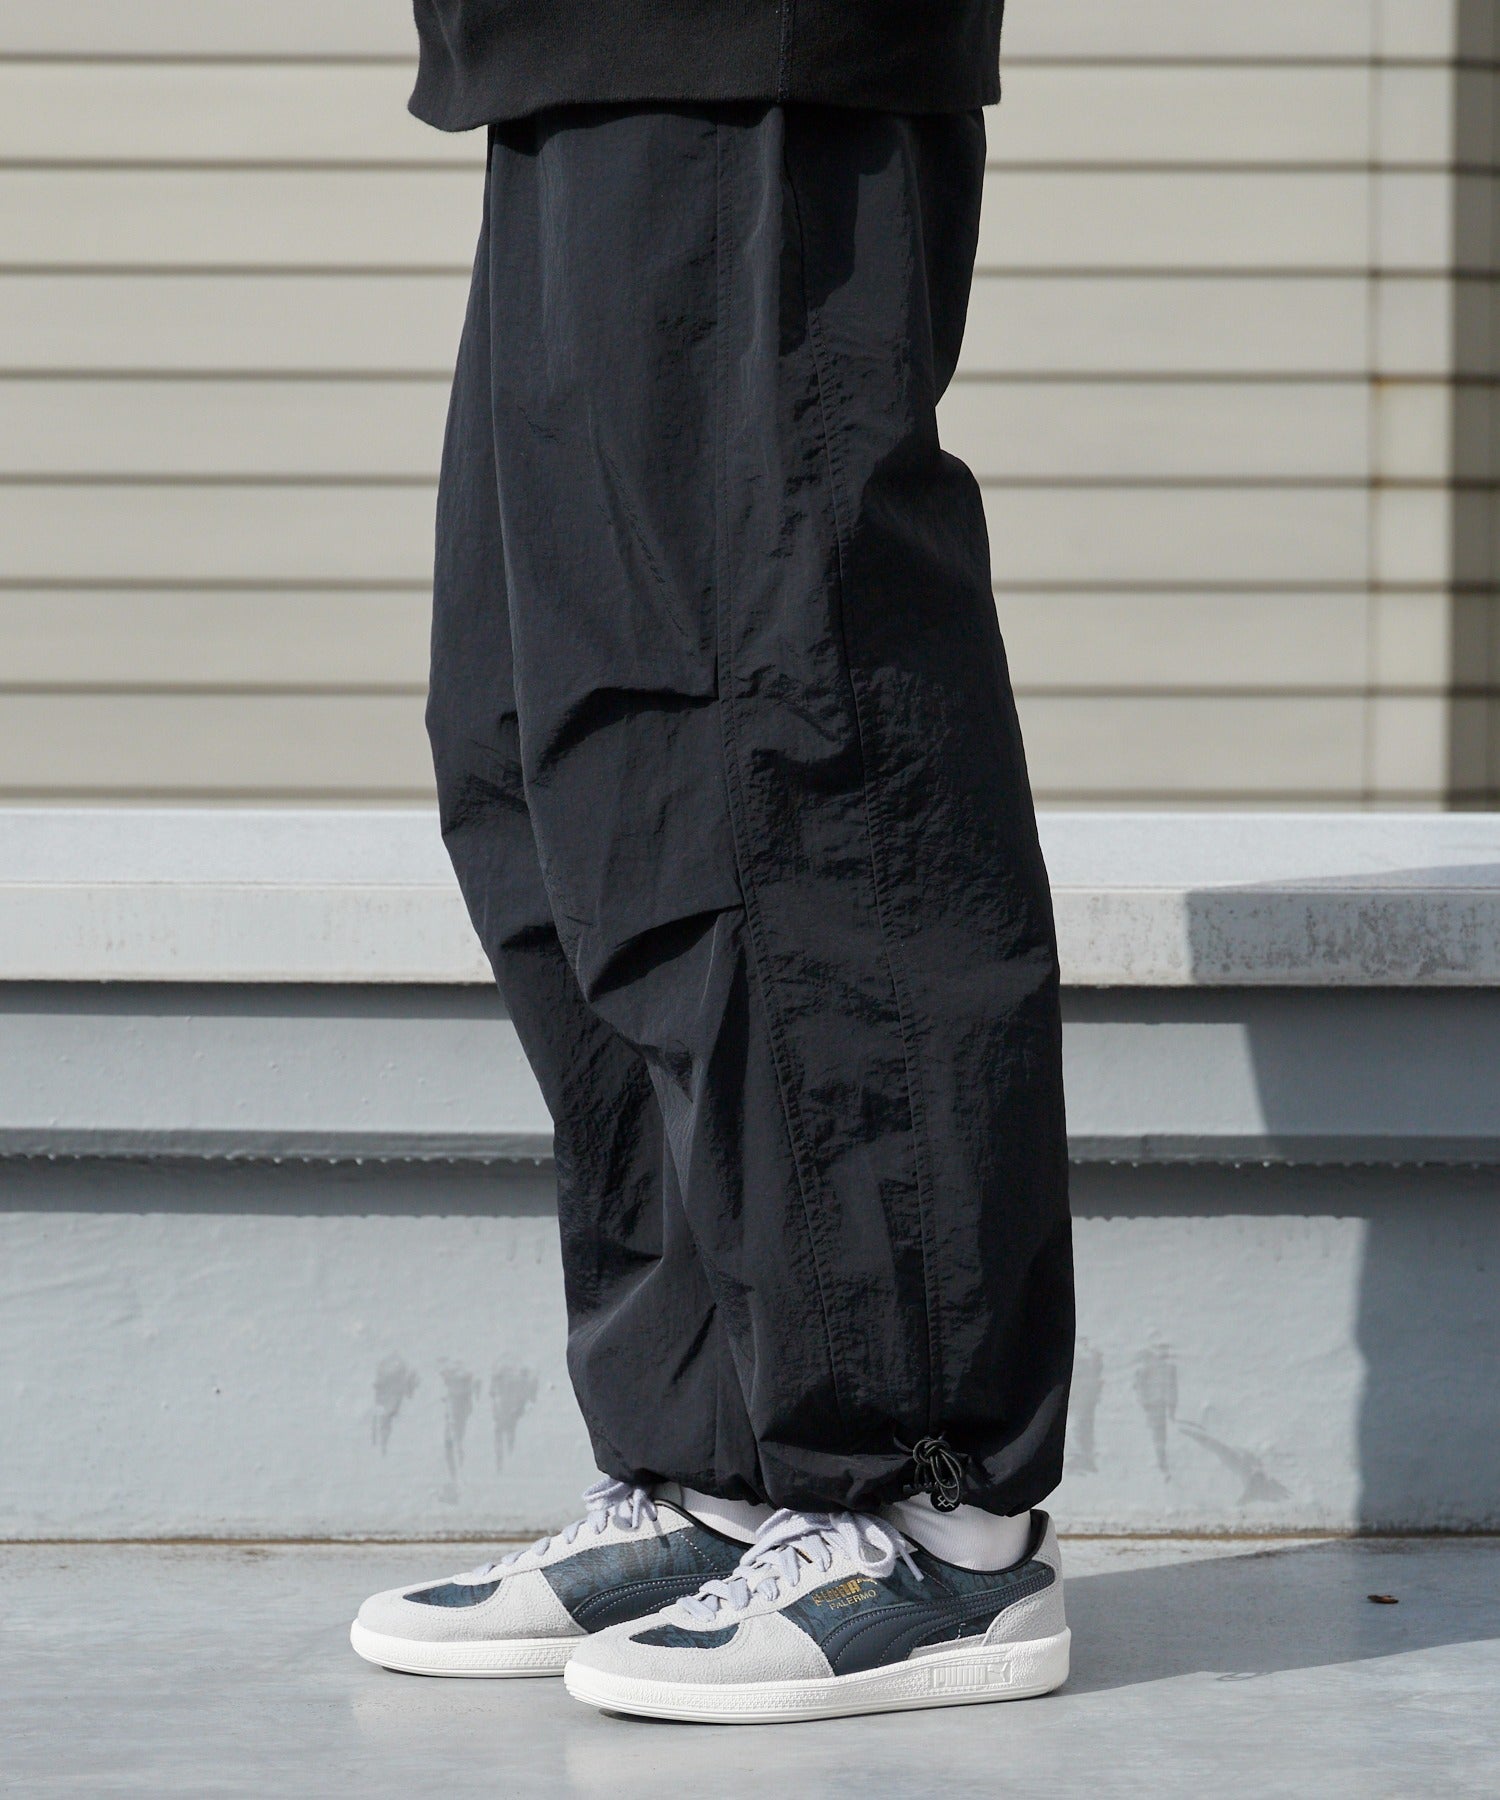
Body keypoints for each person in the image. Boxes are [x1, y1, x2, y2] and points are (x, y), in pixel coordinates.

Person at [350, 0, 1075, 1723]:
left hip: (746, 46)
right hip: (561, 51)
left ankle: (930, 1502)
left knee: (783, 730)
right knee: (553, 759)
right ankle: (723, 1467)